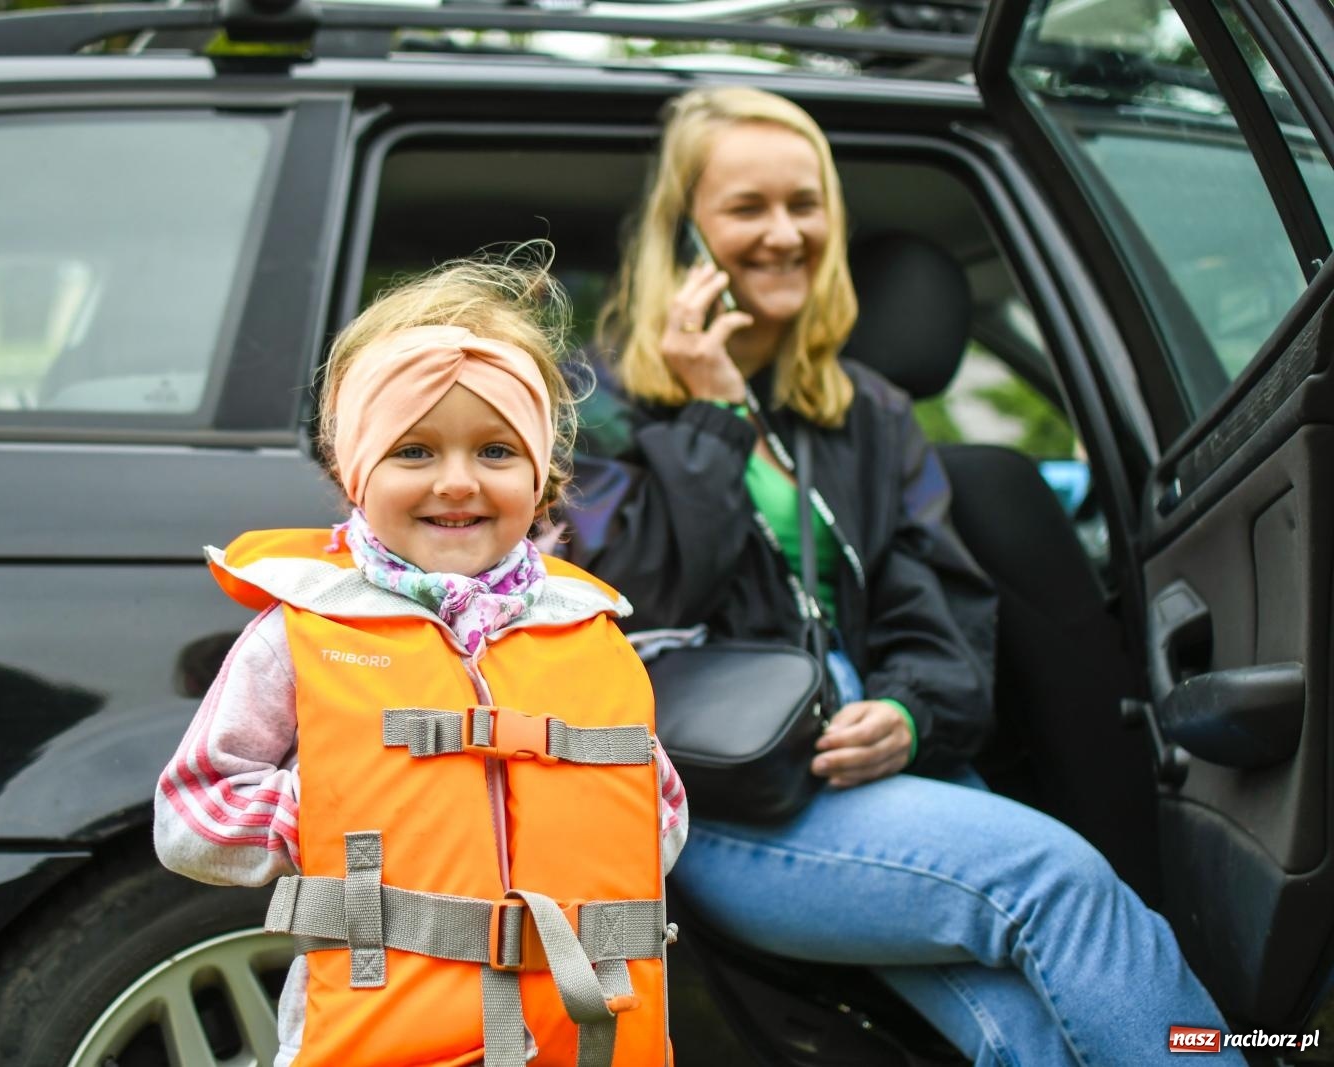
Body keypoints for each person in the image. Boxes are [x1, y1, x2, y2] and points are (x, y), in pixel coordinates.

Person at [562, 86, 1241, 1066]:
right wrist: (713, 413)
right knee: (1057, 882)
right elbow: (638, 600)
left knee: (1027, 1029)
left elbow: (942, 606)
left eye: (805, 204)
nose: (785, 233)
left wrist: (911, 712)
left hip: (880, 763)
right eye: (748, 207)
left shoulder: (867, 411)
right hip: (724, 795)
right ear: (684, 235)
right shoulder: (599, 409)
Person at [153, 251, 688, 1067]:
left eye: (497, 451)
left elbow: (661, 812)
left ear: (541, 475)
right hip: (383, 1026)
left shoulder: (587, 628)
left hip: (576, 1028)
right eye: (414, 451)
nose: (457, 481)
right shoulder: (303, 627)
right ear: (355, 470)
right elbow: (191, 812)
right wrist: (314, 812)